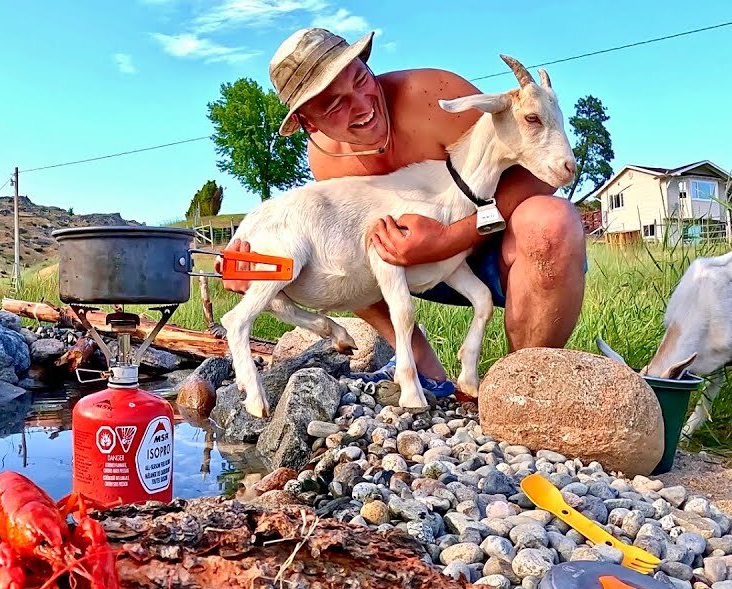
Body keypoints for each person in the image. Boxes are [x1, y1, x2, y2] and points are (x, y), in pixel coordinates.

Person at [215, 28, 586, 397]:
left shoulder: (434, 96)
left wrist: (453, 238)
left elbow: (545, 173)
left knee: (550, 222)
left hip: (503, 251)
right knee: (351, 247)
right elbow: (355, 257)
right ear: (309, 123)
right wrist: (256, 267)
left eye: (360, 79)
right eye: (334, 106)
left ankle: (525, 387)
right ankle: (426, 371)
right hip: (410, 269)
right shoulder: (327, 163)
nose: (361, 105)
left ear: (366, 63)